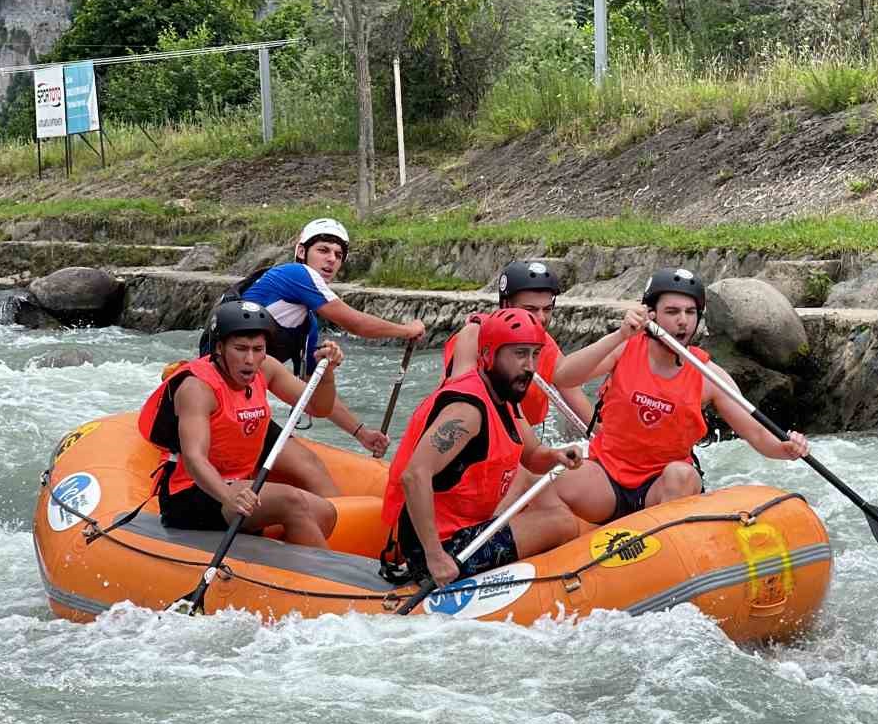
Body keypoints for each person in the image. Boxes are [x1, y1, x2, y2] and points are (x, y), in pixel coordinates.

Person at [551, 267, 810, 524]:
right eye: (672, 312)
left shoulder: (709, 375)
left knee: (681, 474)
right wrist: (619, 335)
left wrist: (784, 448)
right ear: (651, 315)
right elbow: (564, 378)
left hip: (661, 486)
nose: (683, 320)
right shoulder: (623, 348)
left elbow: (756, 433)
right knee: (557, 479)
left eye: (690, 312)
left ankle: (665, 543)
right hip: (607, 477)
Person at [382, 308, 584, 588]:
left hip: (465, 527)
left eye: (535, 354)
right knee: (561, 523)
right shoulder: (467, 410)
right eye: (519, 354)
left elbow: (532, 457)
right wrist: (436, 557)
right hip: (443, 547)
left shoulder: (504, 396)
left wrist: (557, 456)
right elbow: (414, 475)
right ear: (488, 356)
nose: (530, 366)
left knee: (529, 477)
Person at [139, 301, 344, 547]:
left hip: (238, 485)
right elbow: (194, 459)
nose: (250, 359)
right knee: (291, 500)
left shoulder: (265, 368)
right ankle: (318, 582)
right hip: (192, 493)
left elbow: (319, 408)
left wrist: (328, 373)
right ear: (219, 348)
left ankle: (285, 564)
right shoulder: (197, 388)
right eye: (240, 349)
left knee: (325, 512)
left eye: (258, 349)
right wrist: (228, 496)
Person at [223, 218, 426, 456]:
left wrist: (360, 433)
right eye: (323, 250)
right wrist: (407, 330)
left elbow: (315, 396)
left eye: (338, 255)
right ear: (301, 251)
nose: (332, 259)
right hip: (219, 396)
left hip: (243, 405)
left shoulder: (307, 325)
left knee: (310, 467)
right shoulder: (295, 273)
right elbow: (355, 323)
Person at [441, 260, 596, 430]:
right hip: (481, 436)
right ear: (506, 305)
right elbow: (460, 404)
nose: (541, 318)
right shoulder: (473, 337)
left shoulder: (544, 343)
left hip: (522, 439)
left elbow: (569, 383)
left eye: (547, 309)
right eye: (530, 309)